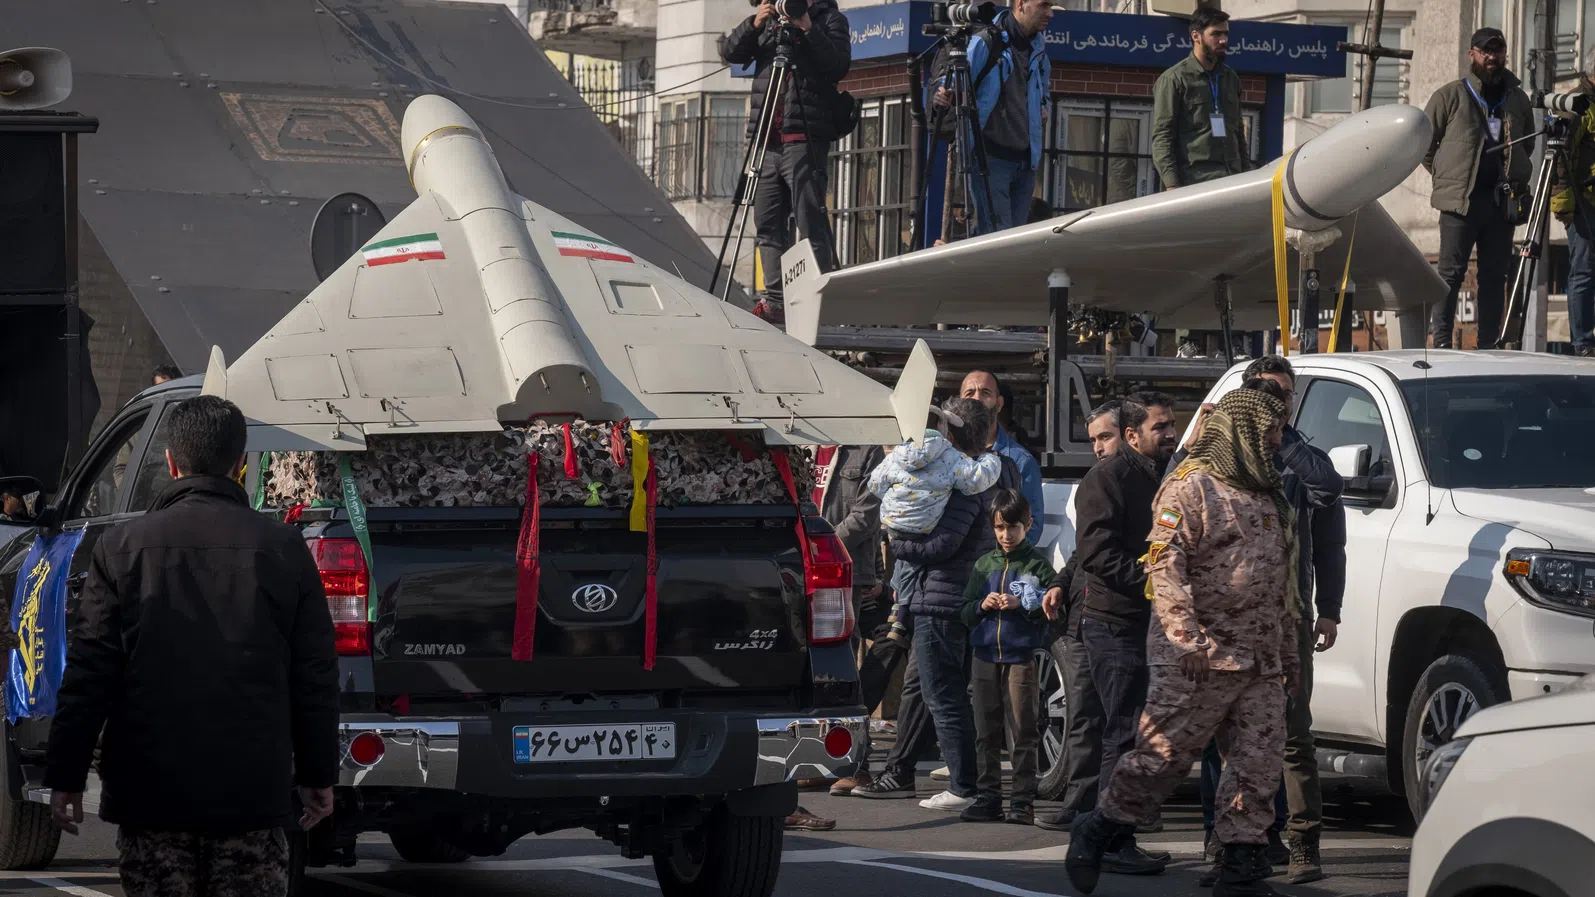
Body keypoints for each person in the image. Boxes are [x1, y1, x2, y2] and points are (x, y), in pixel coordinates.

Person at [44, 395, 339, 897]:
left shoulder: (122, 548)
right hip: (252, 792)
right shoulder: (284, 549)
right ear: (241, 464)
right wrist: (317, 773)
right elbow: (314, 676)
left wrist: (66, 775)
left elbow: (90, 671)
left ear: (171, 462)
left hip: (151, 793)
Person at [1065, 387, 1299, 897]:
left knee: (1257, 763)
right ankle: (1099, 827)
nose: (1278, 440)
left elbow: (1278, 584)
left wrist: (1287, 655)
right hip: (1200, 655)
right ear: (1242, 433)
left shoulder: (1265, 492)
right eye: (1270, 431)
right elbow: (1164, 569)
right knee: (1161, 759)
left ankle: (1241, 864)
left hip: (1257, 658)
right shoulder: (1190, 488)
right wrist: (1185, 639)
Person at [1180, 362, 1345, 885]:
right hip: (1221, 618)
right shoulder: (1215, 456)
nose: (1279, 401)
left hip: (1284, 615)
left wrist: (1331, 607)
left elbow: (1329, 498)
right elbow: (1172, 506)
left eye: (1286, 396)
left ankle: (1302, 843)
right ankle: (1227, 842)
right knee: (1218, 736)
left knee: (1290, 734)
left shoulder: (1296, 457)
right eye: (1266, 393)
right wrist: (1198, 441)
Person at [1049, 392, 1179, 875]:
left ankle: (1119, 832)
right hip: (1113, 624)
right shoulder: (1106, 479)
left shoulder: (1165, 474)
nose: (1170, 435)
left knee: (1139, 734)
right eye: (1160, 427)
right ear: (1132, 435)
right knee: (1122, 733)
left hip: (1150, 623)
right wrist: (1154, 580)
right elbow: (1097, 555)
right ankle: (1109, 839)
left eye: (1172, 426)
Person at [888, 398, 1003, 812]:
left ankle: (962, 785)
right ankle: (968, 783)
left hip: (942, 600)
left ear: (951, 434)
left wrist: (898, 541)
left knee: (943, 694)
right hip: (955, 596)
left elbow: (942, 543)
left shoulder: (963, 481)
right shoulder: (980, 475)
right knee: (952, 693)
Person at [718, 0, 852, 325]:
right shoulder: (768, 21)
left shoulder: (829, 20)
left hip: (803, 138)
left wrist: (807, 27)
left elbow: (838, 66)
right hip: (766, 138)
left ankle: (817, 299)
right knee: (767, 224)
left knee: (809, 220)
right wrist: (755, 23)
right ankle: (775, 302)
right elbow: (732, 54)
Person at [1035, 400, 1122, 833]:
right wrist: (1058, 582)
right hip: (1083, 613)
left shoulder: (1144, 483)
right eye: (1093, 440)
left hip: (1118, 617)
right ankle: (1082, 804)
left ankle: (1111, 813)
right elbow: (1082, 552)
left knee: (1115, 720)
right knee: (1086, 715)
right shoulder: (1097, 480)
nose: (1099, 447)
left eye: (1106, 436)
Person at [1422, 27, 1533, 349]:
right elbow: (1425, 144)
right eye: (1485, 51)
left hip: (1501, 202)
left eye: (1497, 51)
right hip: (1461, 202)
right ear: (1472, 54)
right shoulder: (1450, 95)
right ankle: (1441, 340)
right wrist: (1446, 176)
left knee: (1493, 276)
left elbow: (1525, 144)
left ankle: (1488, 343)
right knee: (1450, 273)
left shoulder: (1517, 99)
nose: (1492, 57)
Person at [958, 489, 1054, 825]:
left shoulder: (1037, 565)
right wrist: (981, 606)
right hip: (983, 656)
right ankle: (989, 796)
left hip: (1020, 658)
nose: (1006, 535)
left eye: (1012, 527)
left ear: (1027, 525)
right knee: (986, 730)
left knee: (1022, 729)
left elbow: (1052, 608)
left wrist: (1025, 604)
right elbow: (964, 612)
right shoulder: (984, 565)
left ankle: (1023, 800)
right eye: (999, 528)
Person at [929, 0, 1054, 235]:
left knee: (1014, 241)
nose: (1050, 13)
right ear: (1021, 4)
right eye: (1043, 5)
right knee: (1000, 238)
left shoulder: (1038, 51)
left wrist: (1043, 108)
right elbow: (955, 82)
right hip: (990, 160)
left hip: (1026, 163)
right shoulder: (987, 41)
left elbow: (1044, 95)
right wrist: (946, 94)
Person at [1152, 7, 1251, 190]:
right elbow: (1162, 138)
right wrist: (1172, 186)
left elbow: (1238, 132)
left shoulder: (1231, 79)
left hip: (1232, 181)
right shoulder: (1174, 79)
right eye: (1216, 34)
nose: (1224, 40)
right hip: (1195, 184)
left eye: (1226, 34)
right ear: (1196, 36)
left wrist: (1245, 174)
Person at [961, 371, 1044, 544]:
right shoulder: (944, 454)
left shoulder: (1020, 461)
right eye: (969, 393)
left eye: (985, 393)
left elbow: (1031, 528)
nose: (976, 399)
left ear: (999, 404)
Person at [1552, 48, 1595, 357]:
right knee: (1583, 272)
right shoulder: (1577, 104)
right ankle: (1583, 342)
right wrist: (1564, 204)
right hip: (1585, 203)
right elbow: (1560, 157)